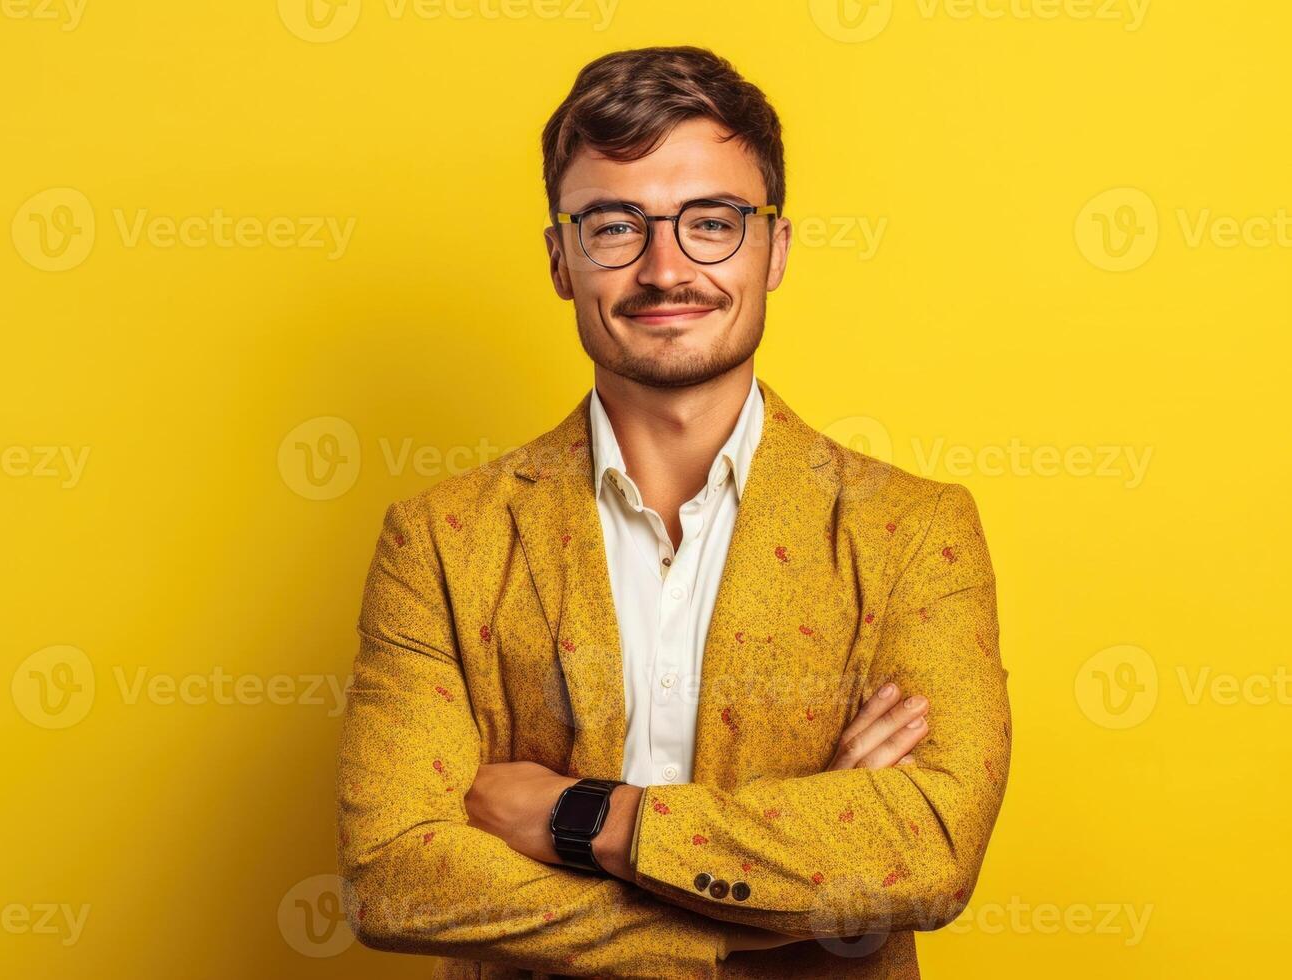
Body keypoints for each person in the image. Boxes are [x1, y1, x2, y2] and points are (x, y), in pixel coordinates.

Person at [336, 45, 1011, 979]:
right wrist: (778, 903)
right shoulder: (444, 540)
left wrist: (579, 819)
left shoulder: (913, 532)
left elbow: (931, 847)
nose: (665, 269)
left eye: (712, 223)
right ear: (561, 260)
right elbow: (393, 875)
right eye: (616, 225)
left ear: (774, 250)